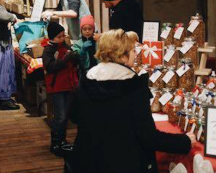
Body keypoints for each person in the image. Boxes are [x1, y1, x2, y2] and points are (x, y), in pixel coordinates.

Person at [68, 29, 194, 173]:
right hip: (124, 163)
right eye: (133, 51)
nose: (136, 54)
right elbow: (148, 137)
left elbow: (75, 117)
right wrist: (185, 141)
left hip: (88, 161)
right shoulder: (133, 88)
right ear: (122, 56)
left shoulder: (86, 82)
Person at [42, 22, 79, 157]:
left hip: (68, 85)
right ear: (52, 38)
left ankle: (62, 141)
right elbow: (50, 67)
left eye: (63, 36)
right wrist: (65, 59)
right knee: (60, 116)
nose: (62, 39)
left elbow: (71, 61)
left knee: (65, 116)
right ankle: (56, 143)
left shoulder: (64, 46)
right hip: (57, 87)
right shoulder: (49, 50)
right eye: (59, 37)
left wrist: (75, 57)